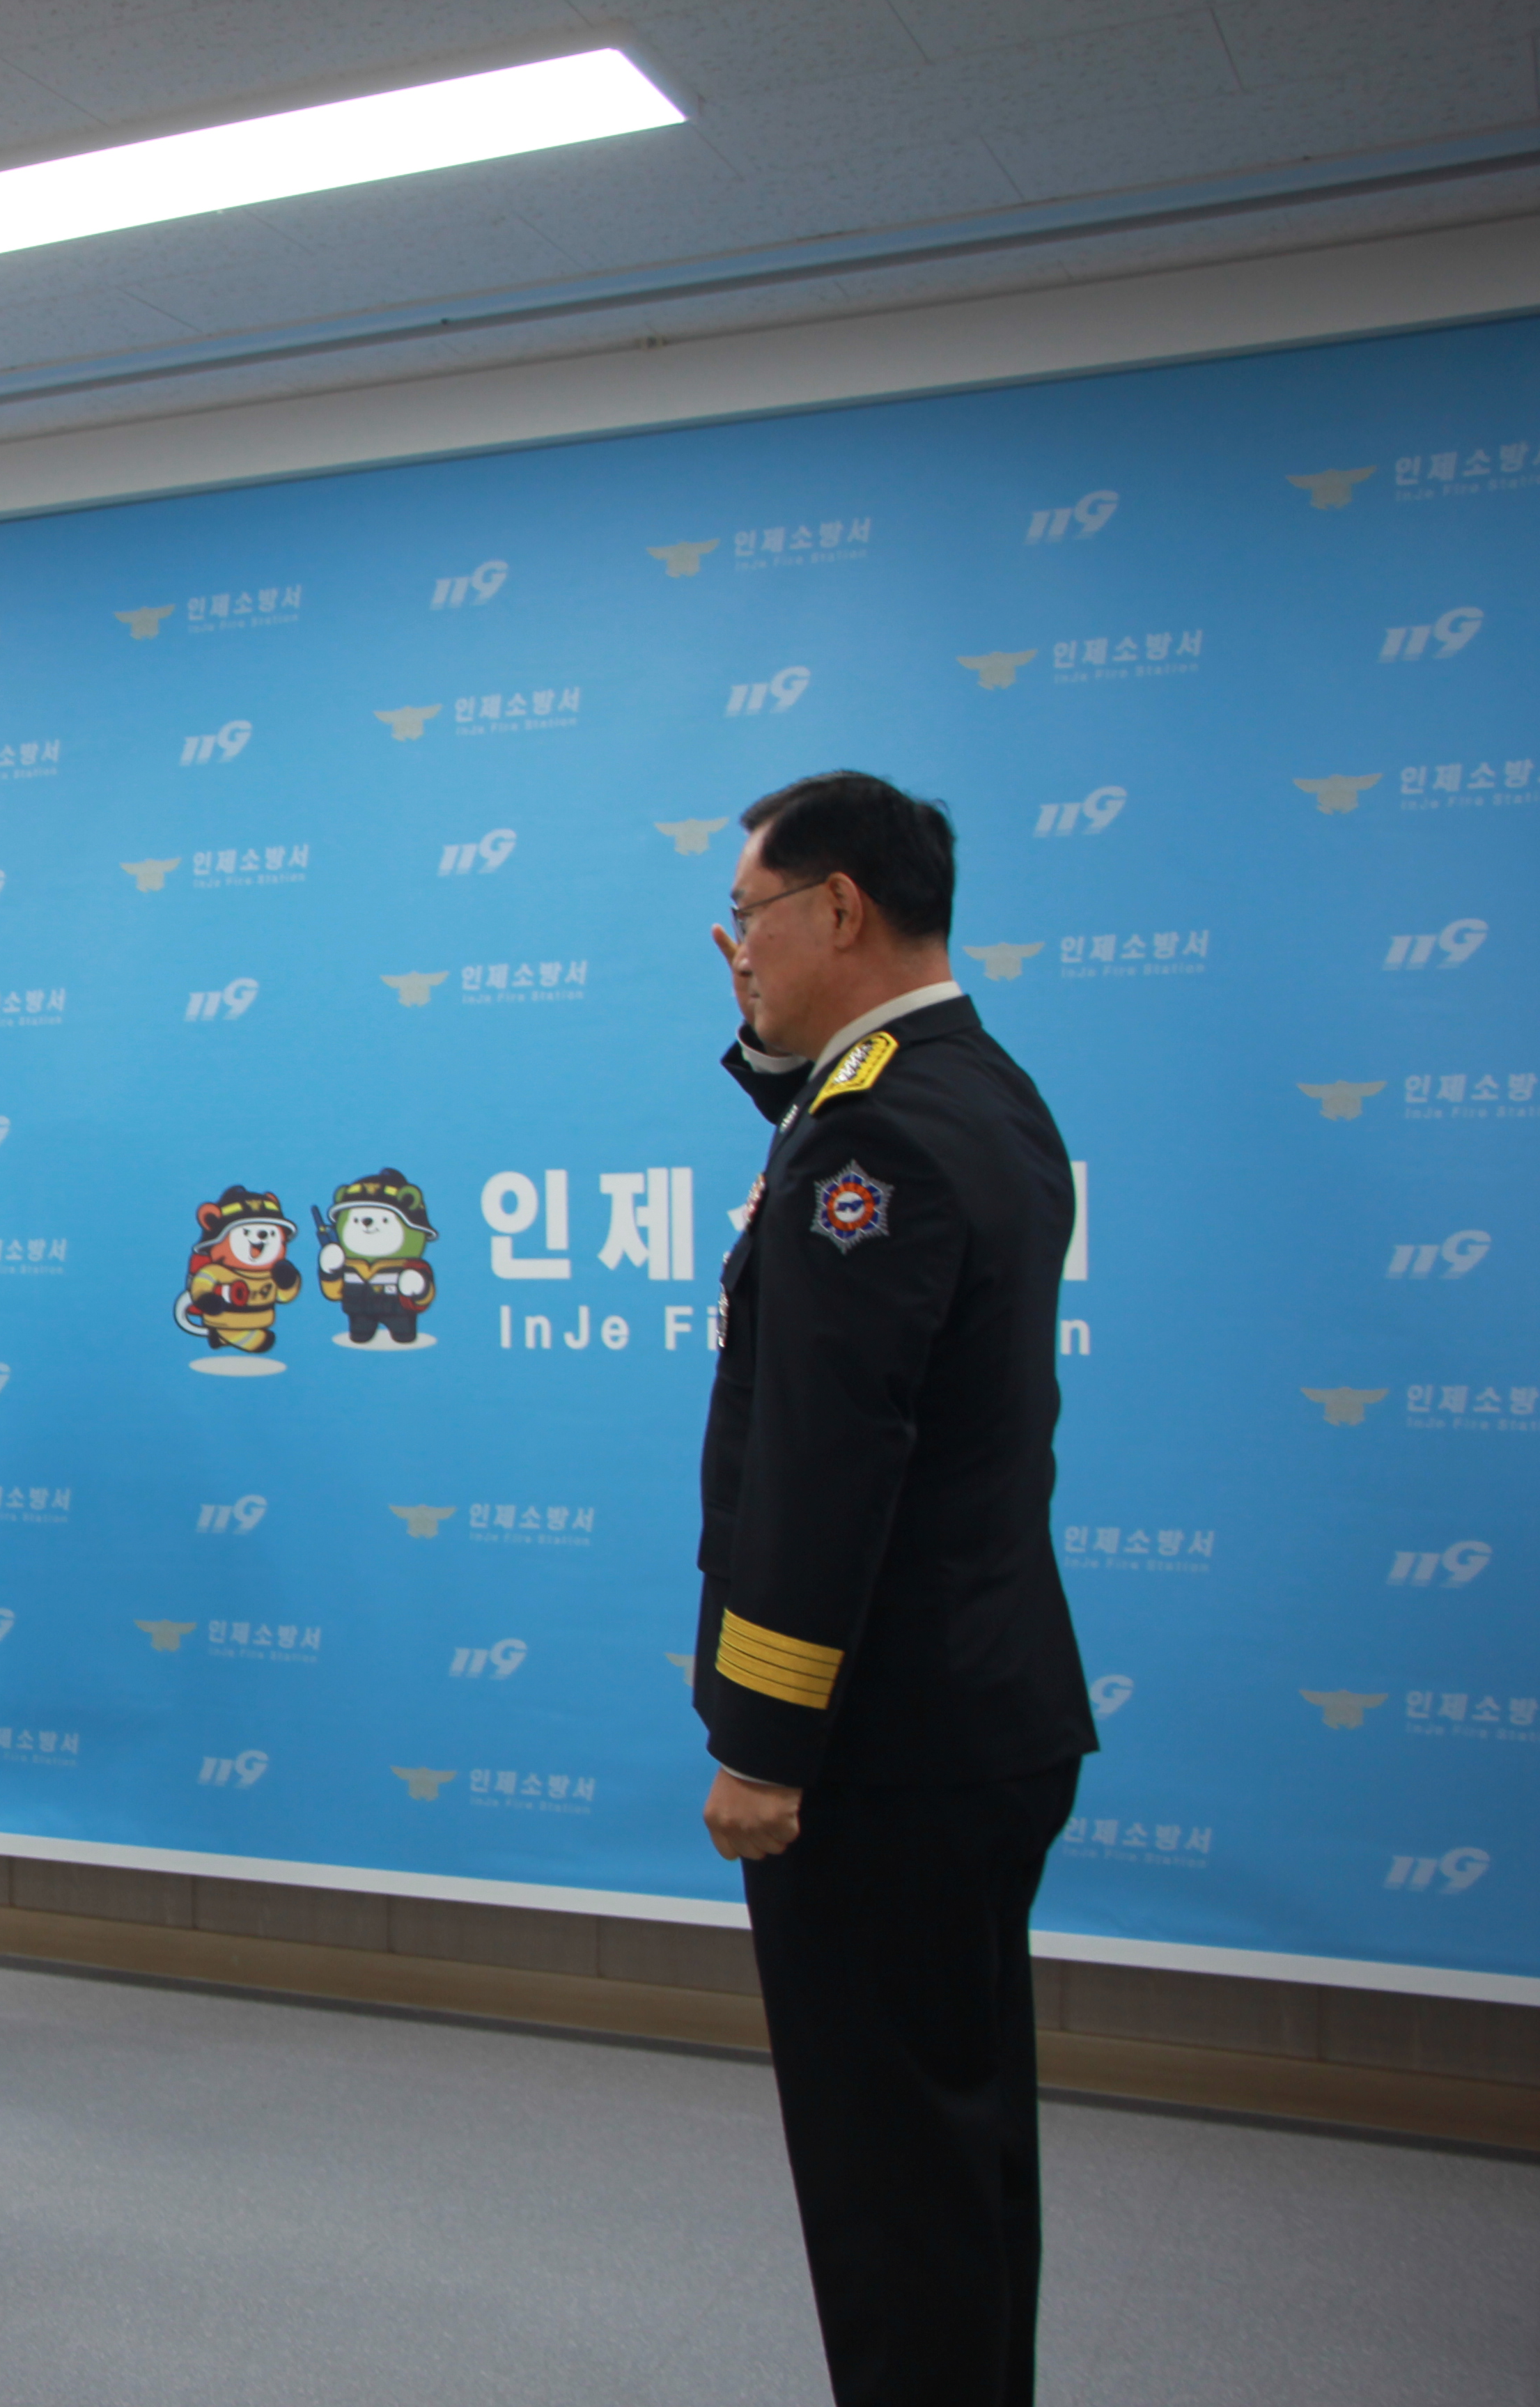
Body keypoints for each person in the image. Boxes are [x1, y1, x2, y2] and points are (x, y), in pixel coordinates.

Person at [691, 772, 1098, 2407]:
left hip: (884, 1746)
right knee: (956, 2148)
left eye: (750, 914)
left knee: (891, 2188)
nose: (734, 947)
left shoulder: (873, 1137)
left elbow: (827, 1470)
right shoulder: (974, 1088)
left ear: (841, 907)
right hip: (981, 1716)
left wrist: (764, 1743)